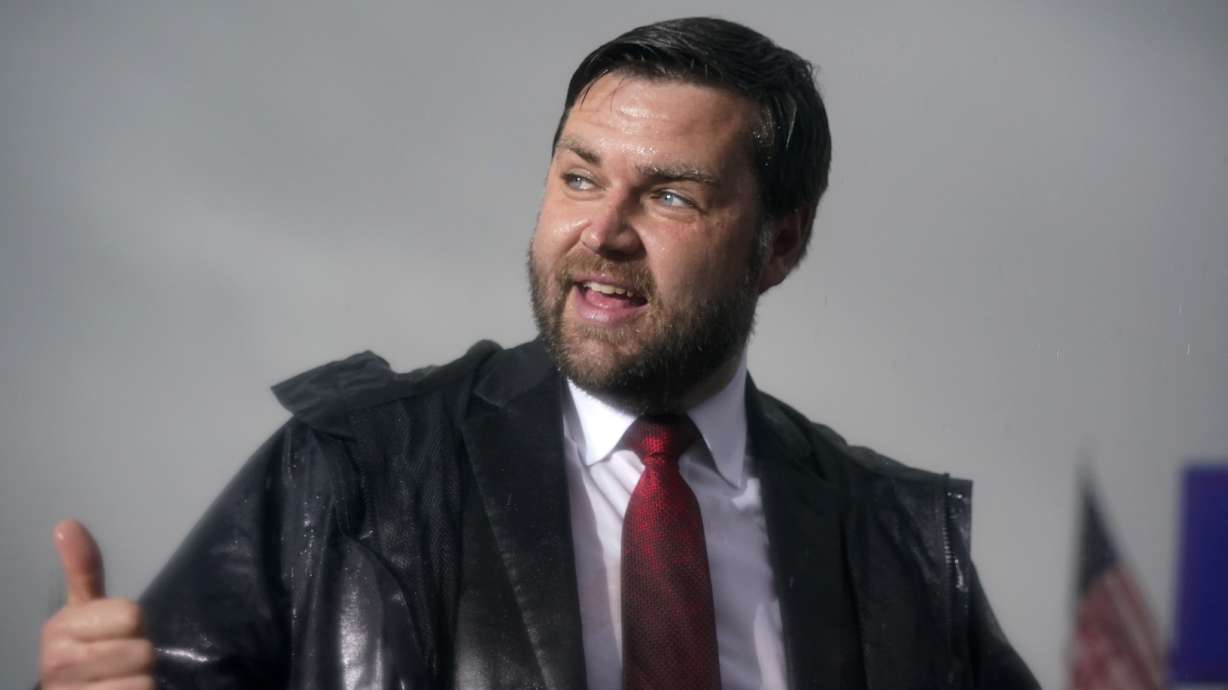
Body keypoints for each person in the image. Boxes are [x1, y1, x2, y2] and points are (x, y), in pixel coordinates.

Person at [38, 16, 1038, 690]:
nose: (601, 233)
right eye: (577, 177)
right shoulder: (351, 466)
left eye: (672, 195)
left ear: (778, 243)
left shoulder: (892, 538)